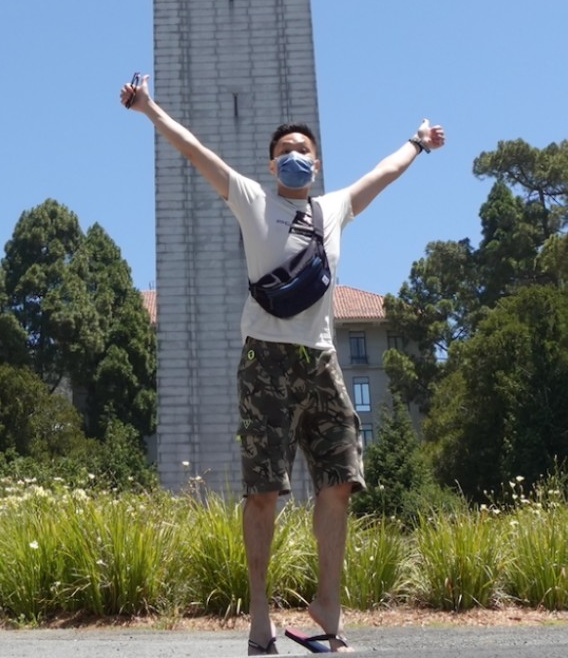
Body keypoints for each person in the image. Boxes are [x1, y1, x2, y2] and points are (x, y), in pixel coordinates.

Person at [121, 74, 445, 655]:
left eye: (302, 151)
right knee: (264, 490)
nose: (293, 157)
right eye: (284, 152)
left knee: (341, 481)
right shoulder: (252, 199)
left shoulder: (334, 209)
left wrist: (417, 143)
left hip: (321, 359)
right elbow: (196, 151)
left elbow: (383, 174)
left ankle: (327, 604)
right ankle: (260, 614)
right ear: (271, 167)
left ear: (316, 164)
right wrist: (149, 109)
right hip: (264, 361)